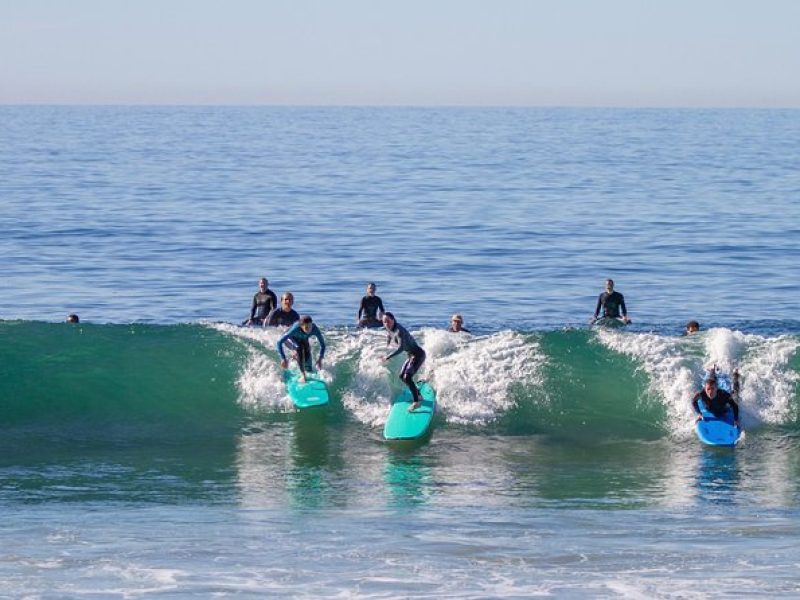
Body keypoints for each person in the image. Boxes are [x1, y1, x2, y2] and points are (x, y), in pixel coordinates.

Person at [382, 312, 426, 411]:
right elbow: (389, 335)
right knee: (402, 376)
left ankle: (416, 402)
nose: (386, 324)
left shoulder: (399, 331)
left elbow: (401, 348)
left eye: (388, 321)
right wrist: (387, 344)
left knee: (407, 377)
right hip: (411, 355)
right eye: (384, 322)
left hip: (418, 354)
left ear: (393, 320)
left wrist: (388, 357)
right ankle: (418, 395)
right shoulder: (390, 328)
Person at [277, 315, 326, 383]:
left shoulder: (315, 329)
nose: (309, 329)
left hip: (303, 339)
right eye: (306, 327)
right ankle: (302, 374)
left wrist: (320, 359)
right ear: (301, 327)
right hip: (289, 340)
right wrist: (283, 358)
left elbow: (323, 344)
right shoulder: (295, 329)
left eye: (310, 326)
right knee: (299, 348)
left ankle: (303, 365)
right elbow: (279, 342)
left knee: (308, 363)